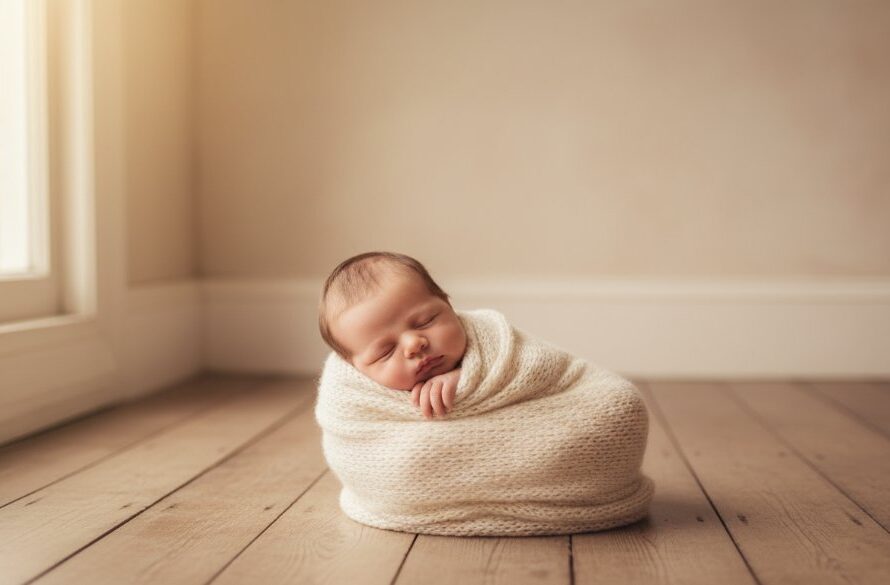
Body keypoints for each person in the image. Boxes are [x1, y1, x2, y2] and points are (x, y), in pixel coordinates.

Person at [318, 251, 467, 420]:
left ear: (447, 304)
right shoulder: (352, 398)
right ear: (355, 367)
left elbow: (502, 375)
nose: (413, 344)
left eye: (425, 322)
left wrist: (466, 379)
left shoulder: (494, 342)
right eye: (386, 351)